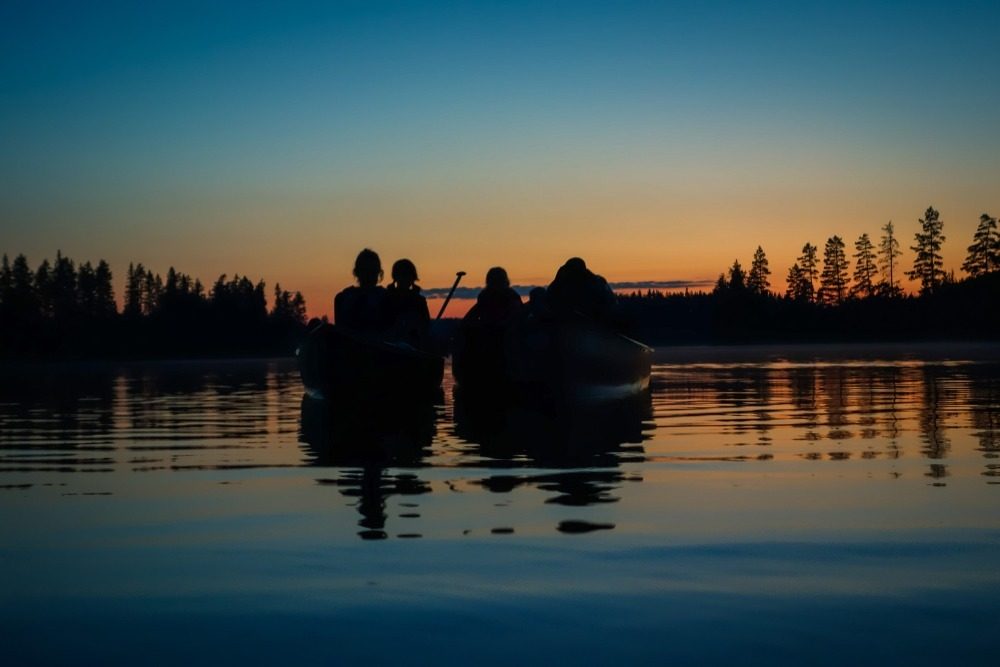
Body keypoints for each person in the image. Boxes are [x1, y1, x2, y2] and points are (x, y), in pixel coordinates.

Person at [334, 248, 390, 334]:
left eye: (372, 271)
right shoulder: (343, 297)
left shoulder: (386, 297)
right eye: (365, 271)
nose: (368, 275)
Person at [546, 257, 616, 323]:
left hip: (595, 321)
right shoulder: (561, 281)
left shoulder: (596, 282)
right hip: (571, 323)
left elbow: (608, 303)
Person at [384, 258, 430, 347]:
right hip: (390, 345)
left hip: (414, 347)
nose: (405, 279)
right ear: (396, 277)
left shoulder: (419, 301)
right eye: (402, 275)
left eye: (408, 276)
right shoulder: (387, 298)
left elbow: (425, 325)